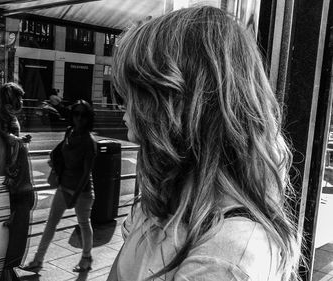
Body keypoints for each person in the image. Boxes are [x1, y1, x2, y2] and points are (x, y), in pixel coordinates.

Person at [106, 6, 301, 281]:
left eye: (132, 93)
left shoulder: (228, 253)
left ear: (175, 101)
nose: (123, 108)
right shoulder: (164, 201)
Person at [21, 99, 97, 273]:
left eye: (83, 115)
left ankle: (86, 258)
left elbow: (86, 174)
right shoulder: (69, 132)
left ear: (89, 118)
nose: (79, 118)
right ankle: (38, 261)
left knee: (84, 223)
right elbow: (59, 151)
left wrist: (75, 197)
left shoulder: (89, 142)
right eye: (76, 113)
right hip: (64, 186)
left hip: (82, 192)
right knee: (51, 224)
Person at [0, 82, 35, 281]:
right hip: (15, 179)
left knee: (19, 224)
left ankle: (10, 267)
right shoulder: (3, 117)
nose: (21, 101)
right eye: (17, 98)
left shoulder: (9, 116)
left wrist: (20, 141)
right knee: (17, 224)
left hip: (19, 177)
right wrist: (18, 140)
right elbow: (4, 137)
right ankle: (8, 268)